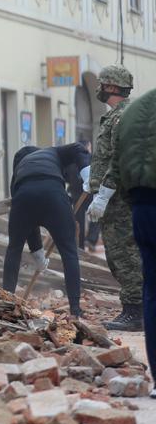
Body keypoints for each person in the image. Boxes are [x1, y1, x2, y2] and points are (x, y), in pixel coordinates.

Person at [1, 141, 90, 317]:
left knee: (14, 248)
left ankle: (6, 302)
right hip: (53, 194)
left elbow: (28, 222)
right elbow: (79, 148)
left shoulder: (20, 168)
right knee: (69, 252)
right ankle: (75, 309)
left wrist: (37, 253)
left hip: (23, 197)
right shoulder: (55, 152)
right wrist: (87, 173)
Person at [88, 64, 144, 330]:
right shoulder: (119, 116)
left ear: (111, 87)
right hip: (115, 197)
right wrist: (93, 180)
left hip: (120, 200)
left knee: (124, 256)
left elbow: (120, 158)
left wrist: (104, 193)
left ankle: (134, 313)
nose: (98, 89)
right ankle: (136, 310)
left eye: (101, 84)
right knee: (120, 255)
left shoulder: (123, 117)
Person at [111, 86, 156, 385]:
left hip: (142, 207)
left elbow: (116, 165)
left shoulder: (132, 111)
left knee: (152, 289)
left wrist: (135, 203)